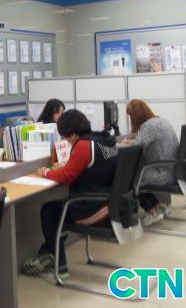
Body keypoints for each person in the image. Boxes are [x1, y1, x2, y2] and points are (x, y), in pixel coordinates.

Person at [22, 109, 118, 278]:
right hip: (109, 203)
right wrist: (68, 164)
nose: (67, 142)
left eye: (66, 138)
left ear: (73, 134)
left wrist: (46, 172)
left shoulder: (84, 145)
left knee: (48, 211)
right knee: (56, 208)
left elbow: (66, 177)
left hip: (93, 208)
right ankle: (49, 253)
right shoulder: (105, 140)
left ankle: (60, 266)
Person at [122, 99, 179, 226]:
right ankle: (157, 207)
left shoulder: (148, 126)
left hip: (164, 174)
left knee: (131, 178)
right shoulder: (159, 121)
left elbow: (137, 147)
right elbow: (141, 142)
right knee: (137, 174)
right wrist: (133, 142)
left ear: (135, 117)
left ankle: (151, 210)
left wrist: (121, 145)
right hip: (173, 170)